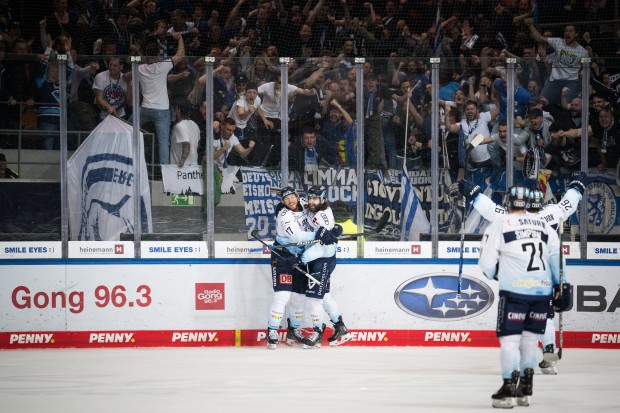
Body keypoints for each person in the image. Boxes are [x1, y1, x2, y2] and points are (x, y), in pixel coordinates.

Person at [459, 173, 586, 375]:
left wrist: (474, 194)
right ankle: (549, 356)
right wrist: (578, 187)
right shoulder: (552, 213)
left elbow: (491, 210)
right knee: (546, 318)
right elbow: (568, 204)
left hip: (517, 278)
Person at [479, 185, 561, 408]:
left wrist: (497, 274)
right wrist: (560, 286)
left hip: (515, 291)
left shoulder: (501, 223)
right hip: (541, 292)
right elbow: (556, 256)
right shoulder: (544, 224)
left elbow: (486, 263)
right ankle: (526, 388)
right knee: (529, 341)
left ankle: (507, 390)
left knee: (510, 341)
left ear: (507, 202)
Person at [297, 185, 351, 348]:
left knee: (315, 299)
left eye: (315, 199)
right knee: (325, 296)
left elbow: (325, 247)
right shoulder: (311, 206)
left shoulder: (322, 217)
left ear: (323, 200)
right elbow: (301, 202)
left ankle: (317, 334)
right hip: (321, 260)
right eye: (310, 198)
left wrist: (302, 258)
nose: (312, 202)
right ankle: (340, 328)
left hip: (322, 260)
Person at [266, 186, 318, 350]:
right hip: (284, 256)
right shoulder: (284, 215)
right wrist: (321, 234)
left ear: (297, 196)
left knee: (299, 298)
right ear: (283, 202)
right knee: (283, 296)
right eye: (286, 198)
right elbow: (298, 237)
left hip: (301, 257)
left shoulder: (304, 203)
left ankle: (293, 331)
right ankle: (272, 331)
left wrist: (332, 227)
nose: (290, 200)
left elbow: (320, 206)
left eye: (292, 196)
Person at [137, 31, 185, 166]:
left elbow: (127, 77)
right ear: (158, 54)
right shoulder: (163, 66)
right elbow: (180, 55)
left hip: (145, 110)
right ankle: (165, 173)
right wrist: (180, 39)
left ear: (146, 54)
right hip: (161, 111)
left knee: (127, 125)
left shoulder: (140, 68)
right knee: (164, 142)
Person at [213, 118, 255, 194]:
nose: (231, 133)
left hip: (222, 168)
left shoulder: (233, 137)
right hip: (212, 168)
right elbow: (212, 157)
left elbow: (242, 153)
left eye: (233, 130)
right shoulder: (215, 136)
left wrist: (249, 148)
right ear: (222, 127)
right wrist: (223, 148)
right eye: (228, 130)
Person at [93, 56, 132, 121]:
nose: (111, 67)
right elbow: (99, 98)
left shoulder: (125, 78)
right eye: (110, 64)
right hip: (103, 114)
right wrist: (108, 107)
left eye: (115, 65)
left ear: (121, 66)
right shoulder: (100, 77)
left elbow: (129, 102)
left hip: (120, 114)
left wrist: (128, 82)